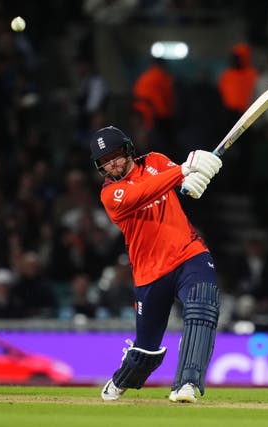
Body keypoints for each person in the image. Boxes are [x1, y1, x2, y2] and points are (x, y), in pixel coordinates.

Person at [91, 126, 223, 403]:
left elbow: (181, 183)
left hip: (189, 253)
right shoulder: (111, 195)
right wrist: (185, 170)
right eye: (105, 161)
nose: (111, 164)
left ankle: (187, 383)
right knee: (146, 352)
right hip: (150, 273)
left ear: (127, 150)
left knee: (202, 308)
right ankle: (122, 379)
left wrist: (196, 179)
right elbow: (144, 192)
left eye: (114, 156)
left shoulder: (155, 161)